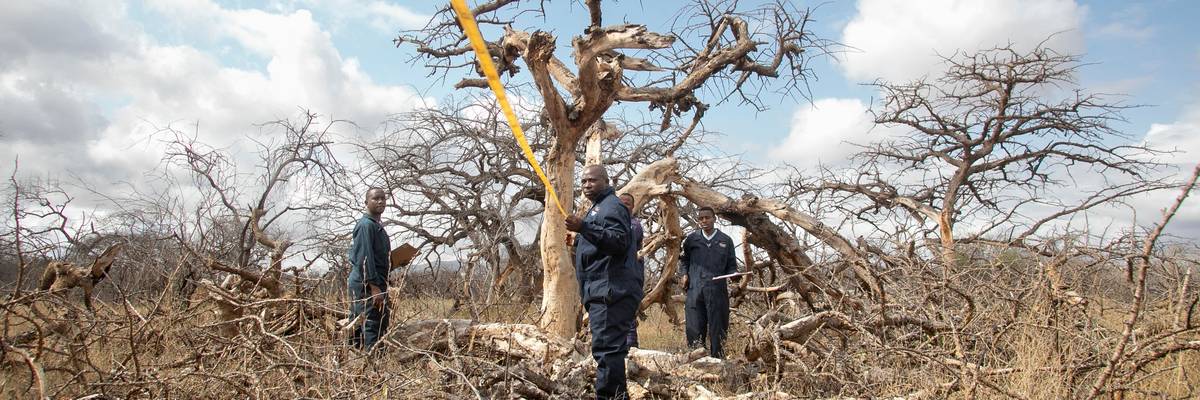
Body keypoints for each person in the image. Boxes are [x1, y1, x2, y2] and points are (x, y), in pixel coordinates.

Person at [565, 165, 638, 400]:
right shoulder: (597, 208)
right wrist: (579, 240)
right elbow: (599, 245)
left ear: (606, 181)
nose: (586, 185)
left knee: (608, 351)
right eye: (583, 181)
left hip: (611, 291)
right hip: (599, 290)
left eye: (592, 181)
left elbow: (618, 241)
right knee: (606, 350)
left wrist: (584, 227)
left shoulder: (612, 206)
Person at [680, 206, 737, 358]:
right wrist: (683, 274)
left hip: (718, 290)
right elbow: (684, 261)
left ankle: (718, 362)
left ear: (714, 219)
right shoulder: (692, 239)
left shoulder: (725, 240)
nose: (704, 221)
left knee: (718, 327)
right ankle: (696, 363)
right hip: (695, 290)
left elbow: (732, 266)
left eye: (707, 217)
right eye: (701, 218)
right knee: (694, 327)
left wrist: (735, 276)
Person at [347, 187, 391, 350]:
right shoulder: (365, 225)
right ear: (366, 202)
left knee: (366, 323)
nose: (380, 201)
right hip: (366, 285)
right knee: (371, 323)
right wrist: (374, 287)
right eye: (375, 198)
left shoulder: (376, 226)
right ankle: (373, 365)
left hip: (376, 282)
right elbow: (364, 258)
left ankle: (355, 360)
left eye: (383, 198)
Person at [619, 193, 645, 349]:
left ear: (633, 207)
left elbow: (621, 239)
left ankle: (631, 351)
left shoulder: (634, 225)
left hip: (630, 278)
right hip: (613, 278)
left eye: (627, 203)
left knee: (628, 317)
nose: (624, 206)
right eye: (621, 203)